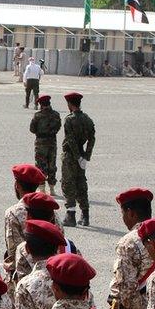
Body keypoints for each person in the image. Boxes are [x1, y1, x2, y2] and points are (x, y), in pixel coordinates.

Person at [60, 92, 95, 227]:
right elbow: (92, 138)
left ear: (69, 104)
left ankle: (71, 215)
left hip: (70, 155)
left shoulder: (69, 119)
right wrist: (86, 156)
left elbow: (70, 140)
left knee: (68, 183)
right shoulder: (87, 119)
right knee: (81, 183)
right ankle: (85, 215)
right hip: (81, 153)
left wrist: (78, 157)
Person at [29, 95, 62, 196]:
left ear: (41, 104)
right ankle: (52, 188)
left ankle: (42, 189)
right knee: (52, 164)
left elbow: (32, 129)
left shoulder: (38, 116)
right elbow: (58, 127)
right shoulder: (56, 114)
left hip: (41, 143)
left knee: (40, 165)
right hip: (52, 142)